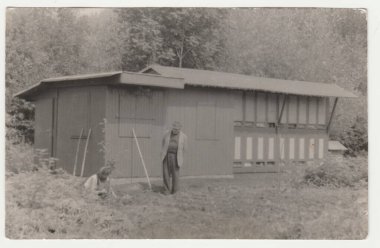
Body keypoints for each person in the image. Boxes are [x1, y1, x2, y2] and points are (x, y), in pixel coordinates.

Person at [161, 121, 188, 194]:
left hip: (176, 156)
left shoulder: (184, 136)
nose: (175, 130)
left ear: (180, 129)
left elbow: (185, 148)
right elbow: (163, 143)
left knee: (175, 174)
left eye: (177, 129)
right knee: (166, 173)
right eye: (174, 128)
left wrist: (179, 155)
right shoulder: (166, 134)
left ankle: (175, 191)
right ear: (172, 128)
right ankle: (166, 190)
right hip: (166, 155)